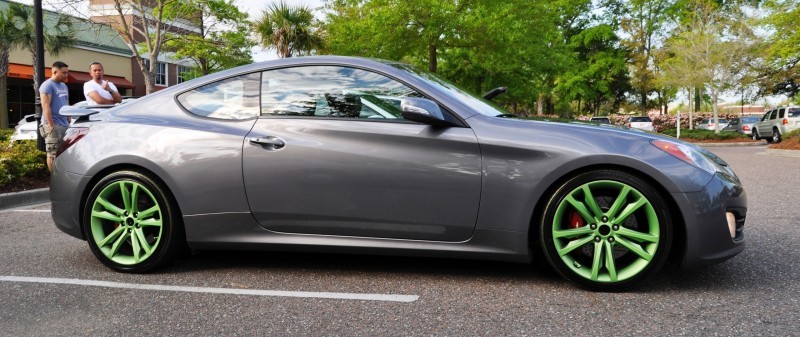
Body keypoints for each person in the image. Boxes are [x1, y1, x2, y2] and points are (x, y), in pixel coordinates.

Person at [39, 61, 71, 172]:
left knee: (63, 153)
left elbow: (65, 103)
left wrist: (69, 119)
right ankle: (54, 179)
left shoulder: (64, 86)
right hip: (53, 125)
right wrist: (51, 125)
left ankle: (61, 177)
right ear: (55, 71)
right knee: (52, 154)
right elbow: (45, 106)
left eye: (67, 73)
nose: (66, 75)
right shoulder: (47, 85)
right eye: (64, 73)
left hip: (65, 124)